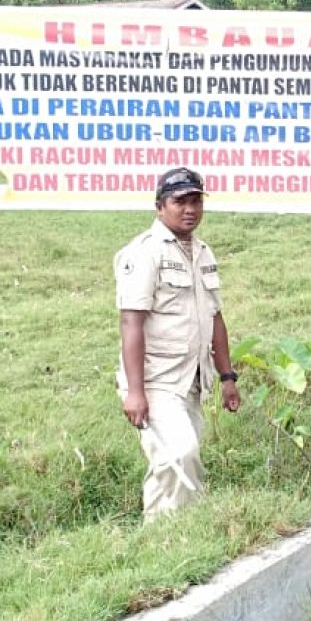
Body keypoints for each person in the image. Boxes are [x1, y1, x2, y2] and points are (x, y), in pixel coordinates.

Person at [114, 167, 240, 519]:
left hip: (193, 380)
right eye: (179, 201)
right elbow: (131, 323)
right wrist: (135, 392)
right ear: (160, 207)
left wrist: (228, 377)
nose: (189, 209)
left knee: (169, 467)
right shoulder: (144, 253)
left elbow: (215, 318)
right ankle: (191, 530)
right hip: (157, 381)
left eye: (196, 200)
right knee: (181, 456)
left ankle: (159, 541)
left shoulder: (203, 252)